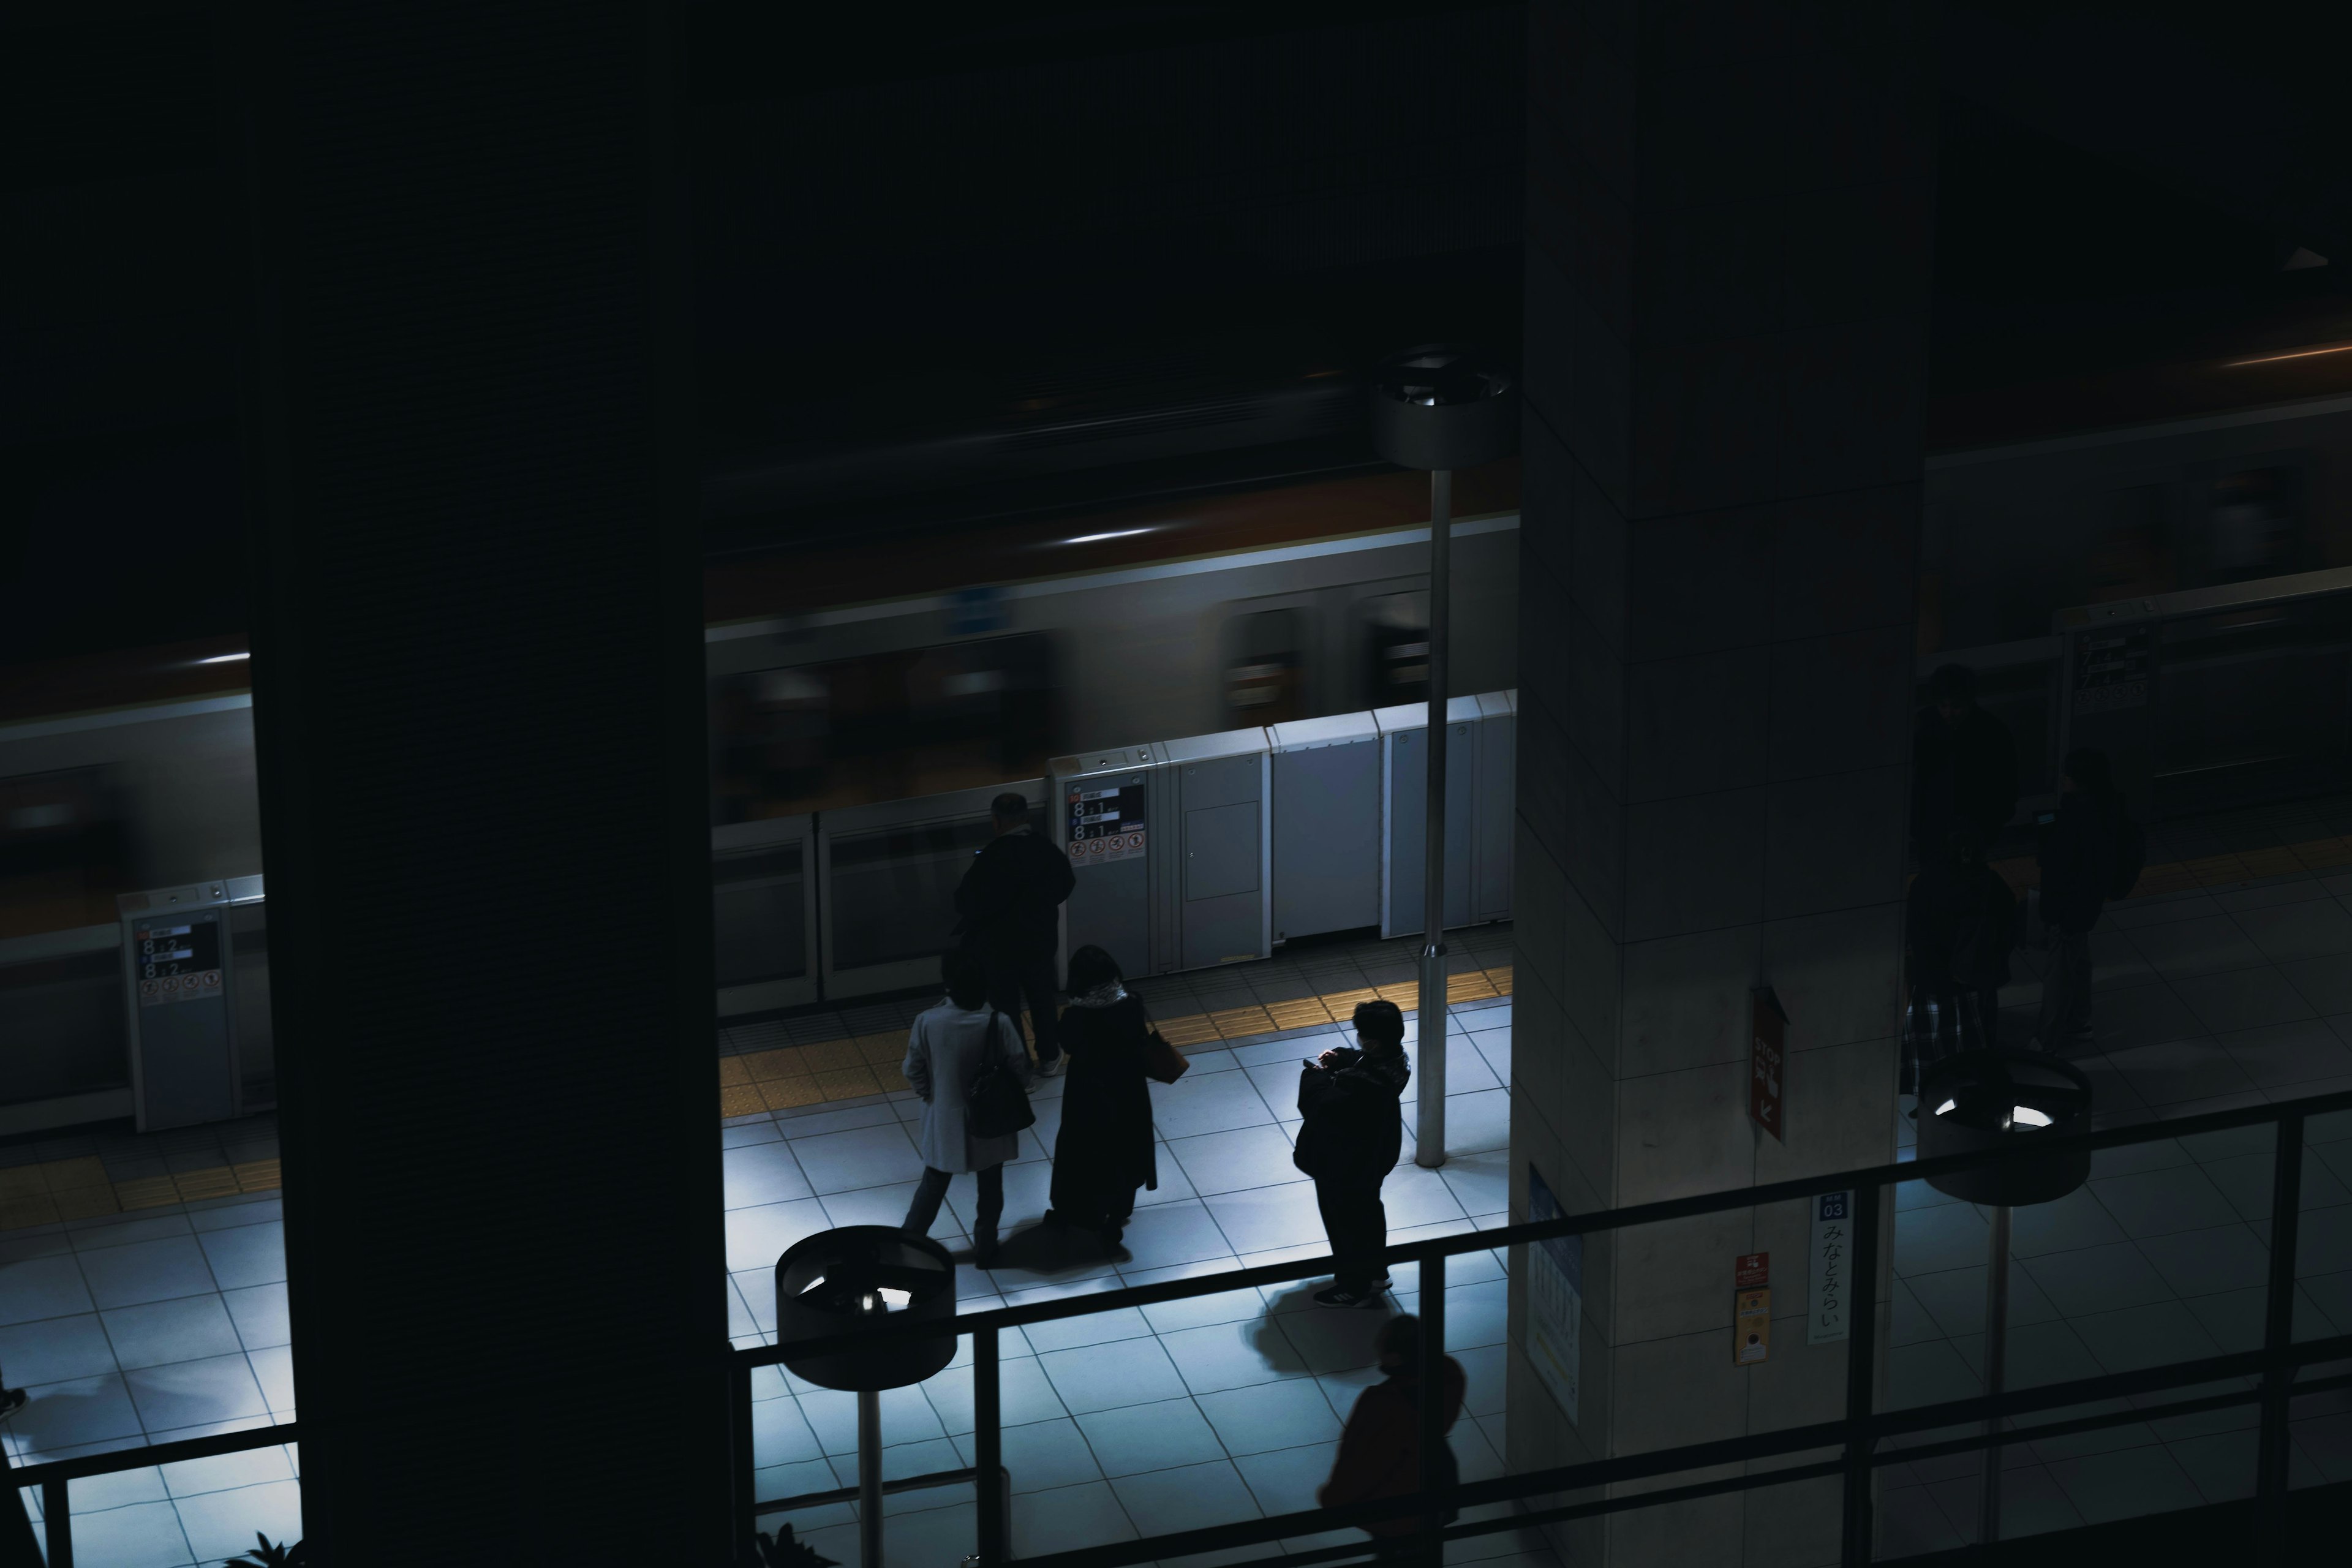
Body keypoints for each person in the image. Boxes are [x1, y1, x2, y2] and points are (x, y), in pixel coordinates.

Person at [902, 949, 1035, 1267]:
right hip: (991, 1118)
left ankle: (907, 1244)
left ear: (948, 984)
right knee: (990, 1185)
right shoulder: (997, 1022)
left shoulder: (928, 1021)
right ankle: (986, 1249)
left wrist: (930, 1095)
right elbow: (1021, 1068)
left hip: (944, 1119)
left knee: (933, 1183)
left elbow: (913, 1068)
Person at [1044, 943, 1158, 1259]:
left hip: (1088, 1097)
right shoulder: (1132, 1005)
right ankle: (1117, 1212)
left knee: (1082, 1151)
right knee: (1125, 1149)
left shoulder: (1075, 1017)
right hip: (1129, 1094)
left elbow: (1066, 1044)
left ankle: (1077, 1209)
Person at [1318, 1313, 1466, 1557]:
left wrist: (1334, 1500)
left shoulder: (1384, 1405)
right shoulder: (1447, 1374)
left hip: (1398, 1504)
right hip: (1440, 1484)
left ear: (1395, 1358)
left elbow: (1367, 1465)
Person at [1294, 1000, 1410, 1308]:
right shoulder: (1396, 1061)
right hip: (1373, 1156)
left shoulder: (1360, 1088)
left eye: (1361, 1034)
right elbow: (1362, 1059)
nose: (1357, 1039)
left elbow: (1317, 1106)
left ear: (1373, 1040)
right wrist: (1341, 1058)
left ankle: (1354, 1286)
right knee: (1369, 1213)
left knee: (1344, 1221)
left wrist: (1316, 1075)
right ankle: (1376, 1271)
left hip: (1343, 1164)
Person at [955, 792, 1077, 1076]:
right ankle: (1048, 1057)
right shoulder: (1044, 850)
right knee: (1042, 997)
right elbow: (1066, 882)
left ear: (997, 821)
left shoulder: (990, 858)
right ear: (1026, 818)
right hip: (1039, 940)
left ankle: (1020, 1068)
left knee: (1006, 1004)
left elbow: (965, 901)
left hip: (998, 947)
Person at [2033, 748, 2117, 1055]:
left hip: (2068, 908)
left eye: (2068, 774)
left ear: (2081, 782)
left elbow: (2067, 868)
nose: (2063, 778)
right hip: (2082, 908)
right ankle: (2080, 1022)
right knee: (2078, 962)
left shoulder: (2079, 819)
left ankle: (2047, 1042)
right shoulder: (2103, 812)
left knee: (2058, 975)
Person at [1904, 833, 2018, 1060]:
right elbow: (2009, 928)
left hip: (1934, 981)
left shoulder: (1923, 884)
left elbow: (1914, 933)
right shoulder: (1991, 883)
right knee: (1977, 1041)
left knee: (1934, 1043)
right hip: (1976, 975)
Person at [1910, 663, 2019, 862]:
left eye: (1956, 706)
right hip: (1938, 825)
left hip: (1967, 826)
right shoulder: (1927, 724)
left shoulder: (1992, 734)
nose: (1948, 713)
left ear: (1969, 702)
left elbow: (2006, 785)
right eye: (1943, 706)